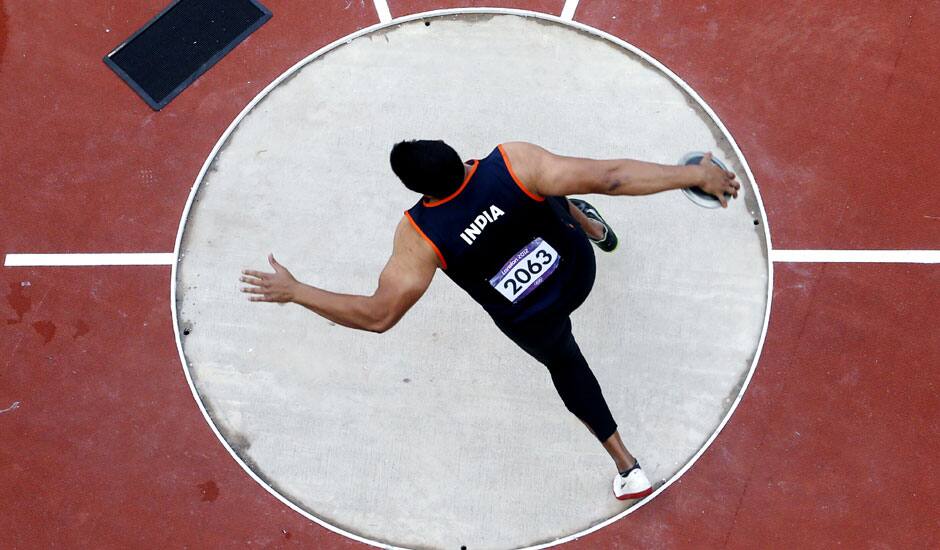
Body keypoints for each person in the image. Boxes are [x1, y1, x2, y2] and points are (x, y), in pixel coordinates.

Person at [240, 140, 740, 500]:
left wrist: (296, 291)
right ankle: (587, 224)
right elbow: (610, 176)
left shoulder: (420, 234)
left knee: (567, 368)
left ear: (418, 192)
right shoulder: (511, 162)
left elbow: (378, 316)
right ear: (460, 157)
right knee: (549, 185)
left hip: (531, 317)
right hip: (575, 272)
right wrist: (692, 175)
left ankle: (629, 469)